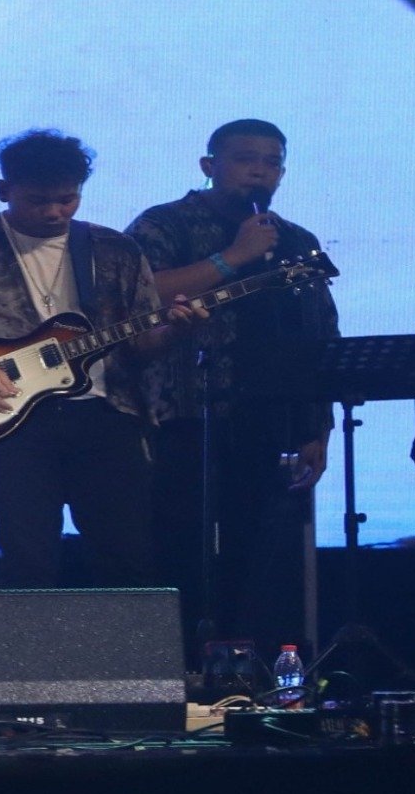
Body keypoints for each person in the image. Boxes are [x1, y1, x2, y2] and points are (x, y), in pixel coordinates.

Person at [0, 129, 203, 589]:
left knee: (126, 555)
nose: (55, 211)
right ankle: (27, 660)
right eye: (38, 200)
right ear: (5, 191)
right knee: (28, 557)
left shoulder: (114, 249)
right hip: (9, 418)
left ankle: (128, 660)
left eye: (67, 199)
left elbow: (139, 345)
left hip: (105, 414)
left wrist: (177, 330)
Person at [124, 119, 339, 663]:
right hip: (178, 416)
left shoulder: (295, 240)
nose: (259, 170)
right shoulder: (163, 224)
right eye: (246, 158)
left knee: (258, 552)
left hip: (267, 419)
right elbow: (134, 297)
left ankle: (247, 671)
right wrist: (233, 259)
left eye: (271, 162)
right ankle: (172, 670)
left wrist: (318, 427)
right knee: (176, 547)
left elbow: (318, 333)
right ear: (208, 166)